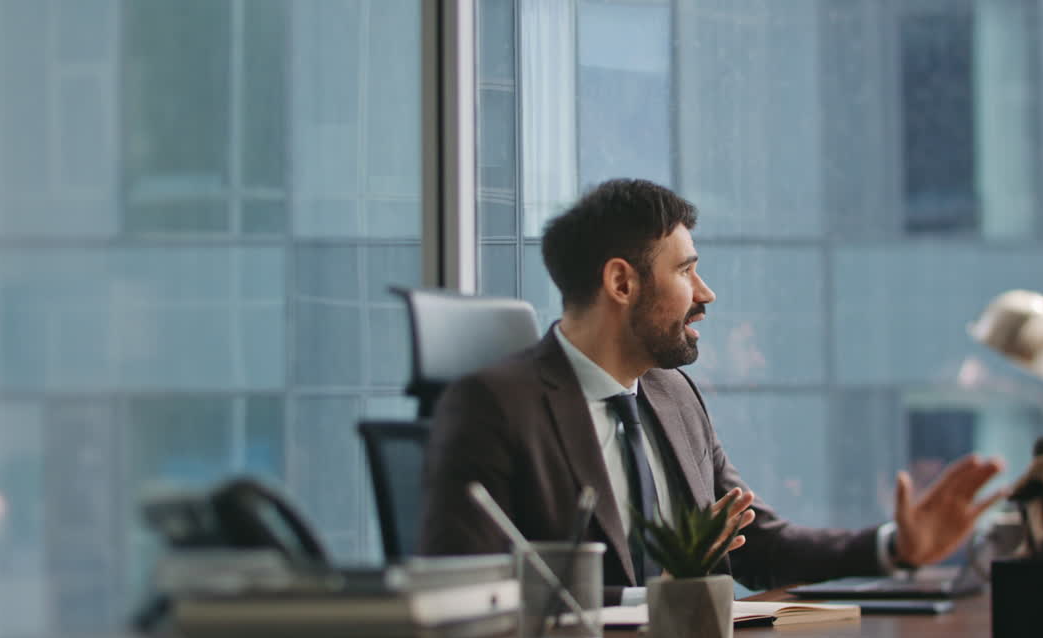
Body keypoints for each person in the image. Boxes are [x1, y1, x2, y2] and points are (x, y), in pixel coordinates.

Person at [418, 178, 1004, 605]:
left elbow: (756, 546)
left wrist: (893, 546)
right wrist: (649, 607)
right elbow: (472, 593)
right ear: (622, 282)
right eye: (685, 270)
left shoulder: (674, 397)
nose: (706, 293)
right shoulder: (495, 405)